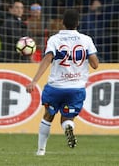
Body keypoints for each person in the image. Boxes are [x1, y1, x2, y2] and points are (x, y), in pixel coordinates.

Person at [26, 9, 99, 156]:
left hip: (56, 87)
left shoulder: (54, 39)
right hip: (76, 88)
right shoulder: (86, 40)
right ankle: (68, 126)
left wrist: (34, 81)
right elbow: (95, 64)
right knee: (67, 117)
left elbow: (47, 59)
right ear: (78, 23)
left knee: (48, 116)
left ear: (62, 23)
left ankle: (41, 151)